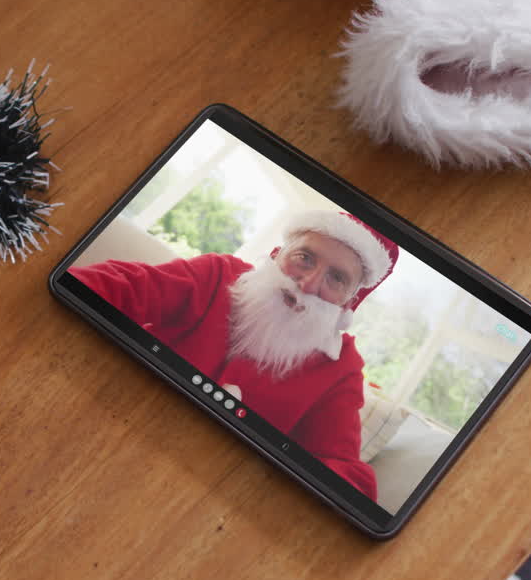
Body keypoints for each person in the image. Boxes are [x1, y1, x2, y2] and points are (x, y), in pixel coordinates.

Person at [70, 210, 399, 501]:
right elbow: (118, 287)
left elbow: (346, 477)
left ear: (347, 303)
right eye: (305, 258)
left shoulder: (341, 367)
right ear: (276, 254)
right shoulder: (218, 274)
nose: (309, 284)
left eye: (336, 278)